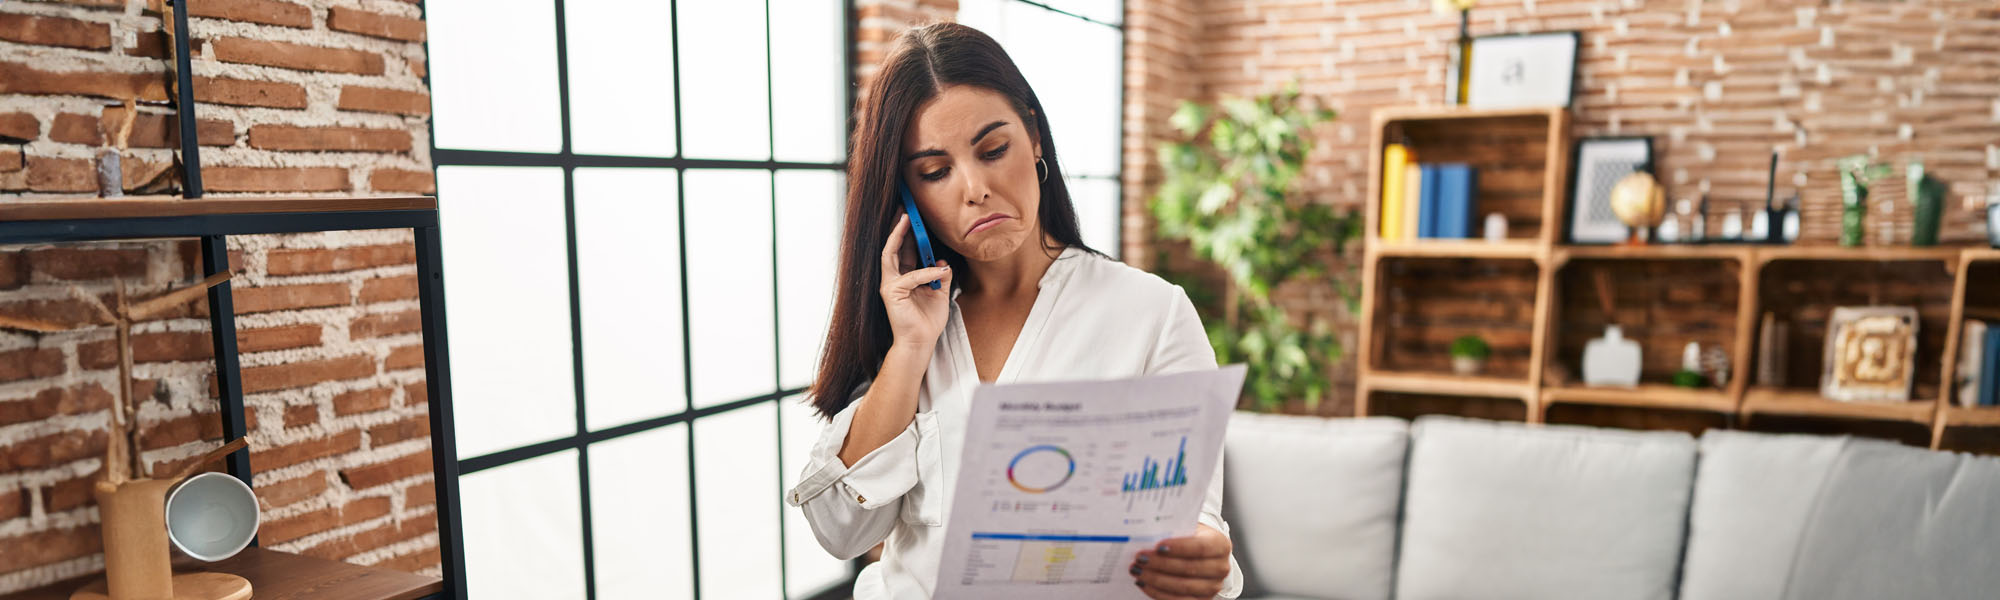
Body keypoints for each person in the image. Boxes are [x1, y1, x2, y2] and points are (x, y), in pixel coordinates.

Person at [785, 22, 1242, 600]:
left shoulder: (1153, 312)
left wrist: (1200, 557)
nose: (974, 187)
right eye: (934, 171)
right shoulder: (912, 323)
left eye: (993, 149)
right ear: (907, 197)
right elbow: (841, 529)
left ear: (1034, 138)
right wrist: (910, 350)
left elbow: (1193, 518)